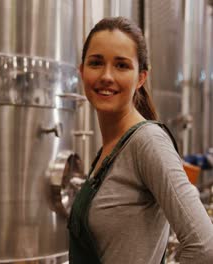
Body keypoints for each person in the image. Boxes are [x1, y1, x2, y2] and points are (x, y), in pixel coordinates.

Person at [67, 17, 213, 264]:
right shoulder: (110, 148)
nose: (106, 76)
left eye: (122, 66)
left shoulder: (147, 141)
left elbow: (205, 247)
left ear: (141, 77)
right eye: (96, 63)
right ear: (81, 71)